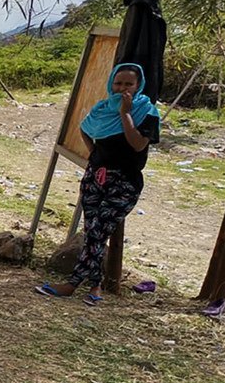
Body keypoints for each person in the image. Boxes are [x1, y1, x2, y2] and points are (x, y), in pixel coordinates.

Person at [36, 63, 160, 305]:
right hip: (96, 177)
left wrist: (125, 113)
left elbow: (137, 144)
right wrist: (94, 156)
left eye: (128, 84)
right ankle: (95, 287)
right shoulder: (103, 108)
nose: (122, 88)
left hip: (125, 182)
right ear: (111, 83)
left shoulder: (146, 112)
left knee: (97, 230)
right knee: (93, 230)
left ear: (138, 86)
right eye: (118, 83)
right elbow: (85, 128)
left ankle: (72, 284)